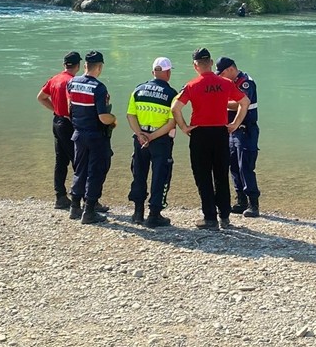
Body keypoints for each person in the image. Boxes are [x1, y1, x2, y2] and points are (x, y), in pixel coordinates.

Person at [172, 47, 249, 229]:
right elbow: (244, 102)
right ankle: (225, 217)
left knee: (203, 176)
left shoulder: (192, 85)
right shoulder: (225, 83)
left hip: (200, 134)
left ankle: (210, 218)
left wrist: (184, 127)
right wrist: (235, 124)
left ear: (195, 65)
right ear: (211, 63)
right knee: (221, 175)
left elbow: (175, 108)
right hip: (221, 133)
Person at [126, 57, 177, 228]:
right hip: (160, 140)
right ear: (168, 73)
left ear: (152, 72)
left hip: (140, 139)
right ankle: (154, 215)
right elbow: (171, 123)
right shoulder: (171, 95)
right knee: (160, 176)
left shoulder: (138, 90)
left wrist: (140, 134)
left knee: (139, 173)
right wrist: (152, 137)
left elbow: (130, 115)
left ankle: (138, 212)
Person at [68, 50, 115, 225]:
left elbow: (70, 108)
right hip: (96, 136)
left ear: (85, 65)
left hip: (78, 134)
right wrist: (114, 119)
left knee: (79, 170)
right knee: (95, 172)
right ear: (100, 67)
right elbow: (103, 117)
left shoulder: (72, 82)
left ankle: (74, 207)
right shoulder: (99, 87)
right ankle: (89, 211)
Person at [216, 57, 260, 218]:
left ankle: (253, 204)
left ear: (230, 69)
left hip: (245, 130)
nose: (220, 76)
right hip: (232, 130)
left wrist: (220, 101)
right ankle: (241, 201)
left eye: (222, 73)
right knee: (233, 166)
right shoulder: (228, 83)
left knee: (245, 167)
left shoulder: (246, 82)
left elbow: (241, 103)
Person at [36, 50, 81, 210]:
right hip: (69, 124)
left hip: (57, 122)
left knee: (60, 160)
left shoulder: (54, 79)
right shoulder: (74, 82)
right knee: (79, 161)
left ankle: (60, 196)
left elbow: (40, 97)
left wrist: (56, 109)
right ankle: (82, 199)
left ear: (64, 64)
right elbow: (75, 106)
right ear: (78, 65)